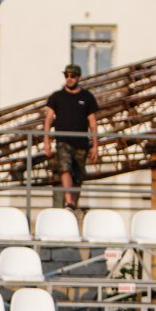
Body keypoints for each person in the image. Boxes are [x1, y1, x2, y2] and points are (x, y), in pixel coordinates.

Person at [42, 64, 99, 211]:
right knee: (65, 168)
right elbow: (48, 119)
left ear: (78, 78)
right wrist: (46, 142)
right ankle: (69, 201)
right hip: (63, 141)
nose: (69, 79)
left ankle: (72, 204)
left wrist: (95, 146)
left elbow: (92, 122)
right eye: (67, 76)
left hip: (81, 143)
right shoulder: (57, 96)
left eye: (72, 76)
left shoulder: (87, 97)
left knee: (78, 176)